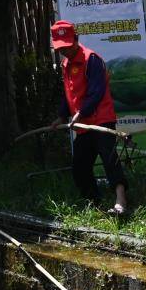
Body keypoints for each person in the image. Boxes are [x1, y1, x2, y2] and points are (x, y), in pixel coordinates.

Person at [50, 20, 127, 217]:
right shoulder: (65, 64)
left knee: (109, 160)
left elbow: (96, 92)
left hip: (101, 119)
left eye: (67, 46)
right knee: (80, 166)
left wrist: (80, 113)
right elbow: (69, 94)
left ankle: (121, 201)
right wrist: (61, 116)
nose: (64, 51)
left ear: (76, 39)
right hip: (83, 124)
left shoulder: (91, 59)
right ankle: (95, 203)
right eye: (60, 48)